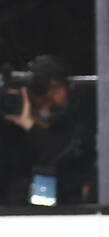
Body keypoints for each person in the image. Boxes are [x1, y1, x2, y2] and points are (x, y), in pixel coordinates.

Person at [0, 54, 95, 206]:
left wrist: (31, 126)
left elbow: (57, 155)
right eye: (43, 88)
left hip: (65, 211)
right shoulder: (12, 127)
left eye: (56, 87)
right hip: (15, 212)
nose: (49, 95)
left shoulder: (75, 128)